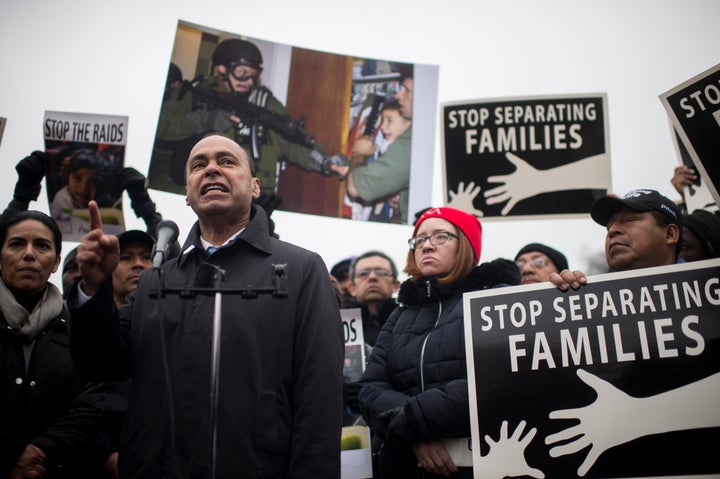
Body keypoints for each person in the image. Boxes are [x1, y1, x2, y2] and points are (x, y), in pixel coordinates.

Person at [69, 134, 343, 478]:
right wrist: (94, 289)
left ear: (255, 186)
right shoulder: (158, 279)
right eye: (199, 165)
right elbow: (101, 363)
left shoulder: (300, 269)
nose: (211, 169)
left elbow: (319, 395)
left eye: (227, 161)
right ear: (187, 193)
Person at [359, 206, 520, 478]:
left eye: (440, 237)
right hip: (407, 465)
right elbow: (370, 388)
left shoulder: (497, 299)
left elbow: (498, 378)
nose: (426, 246)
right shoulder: (400, 315)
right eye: (419, 240)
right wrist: (412, 435)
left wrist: (415, 419)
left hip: (484, 464)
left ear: (465, 246)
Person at [151, 38, 347, 193]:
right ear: (222, 69)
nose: (249, 81)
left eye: (253, 75)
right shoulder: (194, 93)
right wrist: (205, 120)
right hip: (199, 191)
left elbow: (289, 142)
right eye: (242, 73)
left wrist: (323, 162)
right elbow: (160, 128)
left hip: (252, 194)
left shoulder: (262, 102)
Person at [0, 210, 105, 478]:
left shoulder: (79, 329)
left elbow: (90, 405)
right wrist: (13, 454)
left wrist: (44, 451)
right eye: (16, 244)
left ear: (56, 262)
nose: (29, 254)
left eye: (42, 245)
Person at [550, 188, 683, 290]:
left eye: (629, 220)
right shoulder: (594, 305)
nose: (612, 231)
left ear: (670, 234)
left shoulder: (702, 291)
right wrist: (559, 297)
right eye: (608, 228)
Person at [342, 251, 400, 424]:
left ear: (396, 285)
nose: (373, 277)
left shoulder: (411, 323)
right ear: (351, 287)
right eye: (364, 273)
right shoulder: (335, 324)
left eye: (381, 272)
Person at [343, 87, 413, 223]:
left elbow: (355, 187)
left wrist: (359, 156)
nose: (382, 126)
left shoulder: (403, 150)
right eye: (382, 120)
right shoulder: (383, 146)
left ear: (408, 124)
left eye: (389, 120)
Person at [50, 148, 98, 217]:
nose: (83, 187)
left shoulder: (97, 198)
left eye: (92, 181)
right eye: (77, 178)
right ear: (67, 176)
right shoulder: (62, 199)